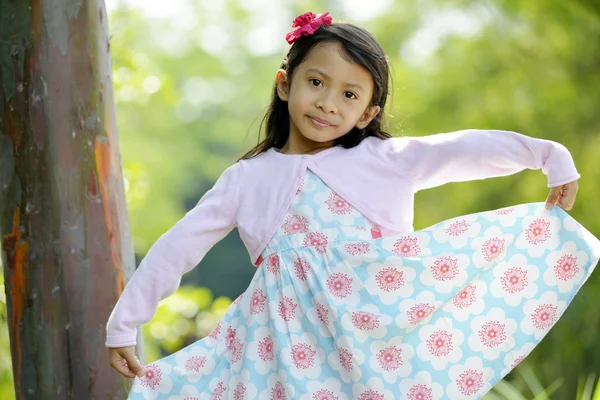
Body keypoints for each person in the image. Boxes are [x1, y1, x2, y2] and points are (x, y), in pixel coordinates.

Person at [106, 11, 600, 399]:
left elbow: (462, 148)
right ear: (285, 84)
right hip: (281, 348)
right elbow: (179, 247)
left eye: (348, 94)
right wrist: (125, 320)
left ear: (368, 113)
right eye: (316, 83)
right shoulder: (248, 179)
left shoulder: (385, 161)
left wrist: (546, 155)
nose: (327, 103)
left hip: (376, 342)